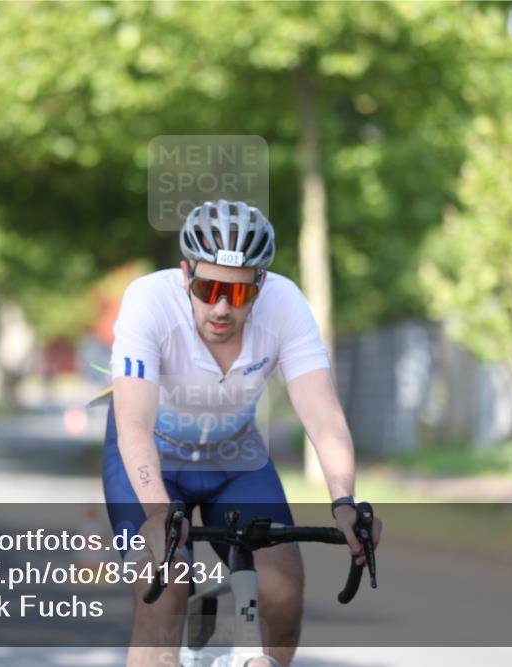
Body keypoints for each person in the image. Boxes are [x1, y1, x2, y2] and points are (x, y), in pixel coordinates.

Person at [103, 199, 382, 666]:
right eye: (208, 287)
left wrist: (344, 501)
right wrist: (156, 511)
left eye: (238, 294)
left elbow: (323, 415)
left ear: (261, 284)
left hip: (233, 459)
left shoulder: (285, 304)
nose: (220, 307)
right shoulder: (148, 300)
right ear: (185, 272)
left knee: (283, 588)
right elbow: (133, 423)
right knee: (164, 583)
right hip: (151, 458)